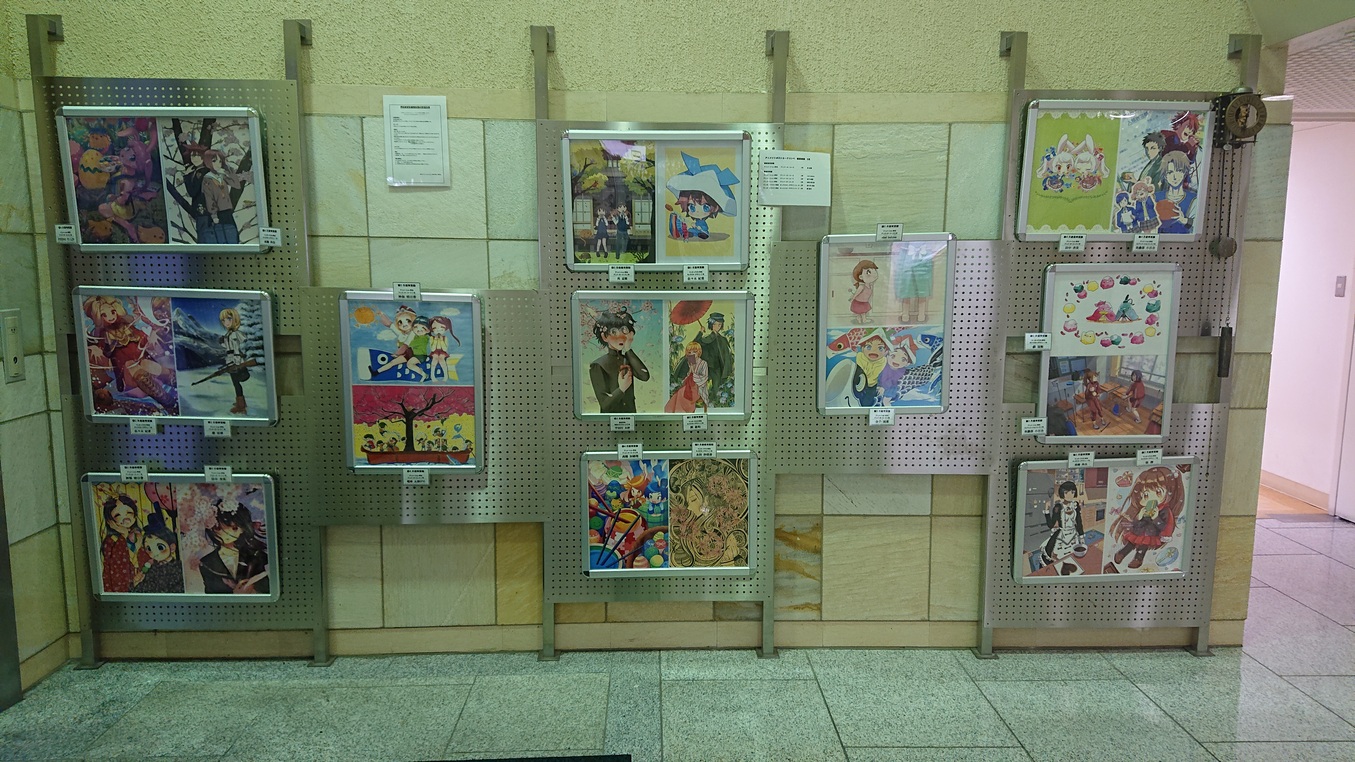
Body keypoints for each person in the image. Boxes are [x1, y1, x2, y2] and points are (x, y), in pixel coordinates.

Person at [1105, 466, 1184, 571]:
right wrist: (1139, 516)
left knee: (1142, 547)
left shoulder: (1165, 511)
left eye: (1158, 492)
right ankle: (1121, 554)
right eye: (1145, 494)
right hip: (1138, 531)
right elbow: (1136, 523)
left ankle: (1138, 559)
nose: (1151, 498)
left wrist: (1155, 518)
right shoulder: (1143, 508)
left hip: (1150, 534)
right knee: (1130, 544)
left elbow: (1164, 526)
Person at [199, 500, 269, 594]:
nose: (226, 534)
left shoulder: (257, 555)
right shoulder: (207, 563)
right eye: (219, 528)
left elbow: (268, 587)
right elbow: (211, 595)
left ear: (242, 529)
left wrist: (253, 591)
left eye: (234, 528)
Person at [588, 309, 650, 414]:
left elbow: (644, 376)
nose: (621, 337)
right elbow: (604, 404)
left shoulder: (628, 359)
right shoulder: (598, 365)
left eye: (624, 330)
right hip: (609, 419)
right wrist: (621, 389)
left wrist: (628, 349)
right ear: (604, 336)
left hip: (631, 416)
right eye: (614, 332)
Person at [100, 494, 146, 593]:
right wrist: (124, 534)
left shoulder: (141, 536)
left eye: (129, 512)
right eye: (118, 515)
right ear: (110, 521)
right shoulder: (111, 540)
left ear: (135, 515)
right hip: (120, 584)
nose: (125, 518)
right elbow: (115, 564)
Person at [199, 149, 243, 244]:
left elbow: (236, 185)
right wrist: (214, 214)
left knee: (232, 234)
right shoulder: (207, 179)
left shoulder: (222, 176)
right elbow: (209, 198)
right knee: (221, 235)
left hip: (227, 209)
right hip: (217, 212)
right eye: (214, 161)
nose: (218, 164)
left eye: (220, 161)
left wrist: (228, 170)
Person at [1040, 481, 1085, 568]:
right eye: (1066, 492)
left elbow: (1078, 521)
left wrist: (1081, 536)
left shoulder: (1075, 505)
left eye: (1072, 492)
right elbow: (1051, 525)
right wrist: (1047, 511)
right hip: (1062, 536)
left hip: (1073, 536)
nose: (1070, 495)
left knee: (1072, 559)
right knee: (1058, 562)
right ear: (1062, 493)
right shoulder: (1058, 507)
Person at [1154, 151, 1197, 235]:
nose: (1174, 176)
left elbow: (1198, 226)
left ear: (1185, 172)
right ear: (1165, 175)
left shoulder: (1193, 199)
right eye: (1170, 172)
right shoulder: (1155, 198)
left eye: (1179, 171)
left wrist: (1184, 220)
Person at [691, 313, 733, 398]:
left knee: (719, 384)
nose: (717, 326)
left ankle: (715, 399)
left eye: (719, 324)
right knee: (713, 384)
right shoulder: (707, 338)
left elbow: (727, 353)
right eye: (715, 324)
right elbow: (694, 345)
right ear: (711, 325)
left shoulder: (723, 339)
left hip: (720, 365)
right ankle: (711, 399)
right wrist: (700, 332)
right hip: (710, 365)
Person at [219, 307, 251, 414]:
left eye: (228, 319)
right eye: (223, 320)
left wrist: (237, 361)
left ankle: (241, 406)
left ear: (235, 319)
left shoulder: (236, 334)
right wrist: (222, 343)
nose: (226, 322)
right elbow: (228, 347)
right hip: (230, 360)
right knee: (235, 382)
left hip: (236, 360)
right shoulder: (228, 334)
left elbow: (240, 346)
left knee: (237, 383)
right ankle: (240, 403)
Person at [665, 341, 709, 413]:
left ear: (698, 352)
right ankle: (675, 411)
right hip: (689, 385)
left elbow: (704, 377)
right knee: (678, 393)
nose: (692, 354)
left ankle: (682, 411)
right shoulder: (691, 362)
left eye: (694, 352)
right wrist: (691, 368)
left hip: (699, 387)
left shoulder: (703, 363)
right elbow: (689, 375)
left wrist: (694, 374)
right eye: (689, 352)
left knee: (683, 394)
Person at [848, 260, 878, 324]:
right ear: (861, 277)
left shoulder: (869, 285)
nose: (874, 274)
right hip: (858, 302)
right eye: (868, 272)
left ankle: (863, 319)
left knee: (863, 312)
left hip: (864, 302)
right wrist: (852, 298)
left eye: (874, 271)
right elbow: (857, 293)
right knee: (860, 312)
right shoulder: (862, 286)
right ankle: (860, 320)